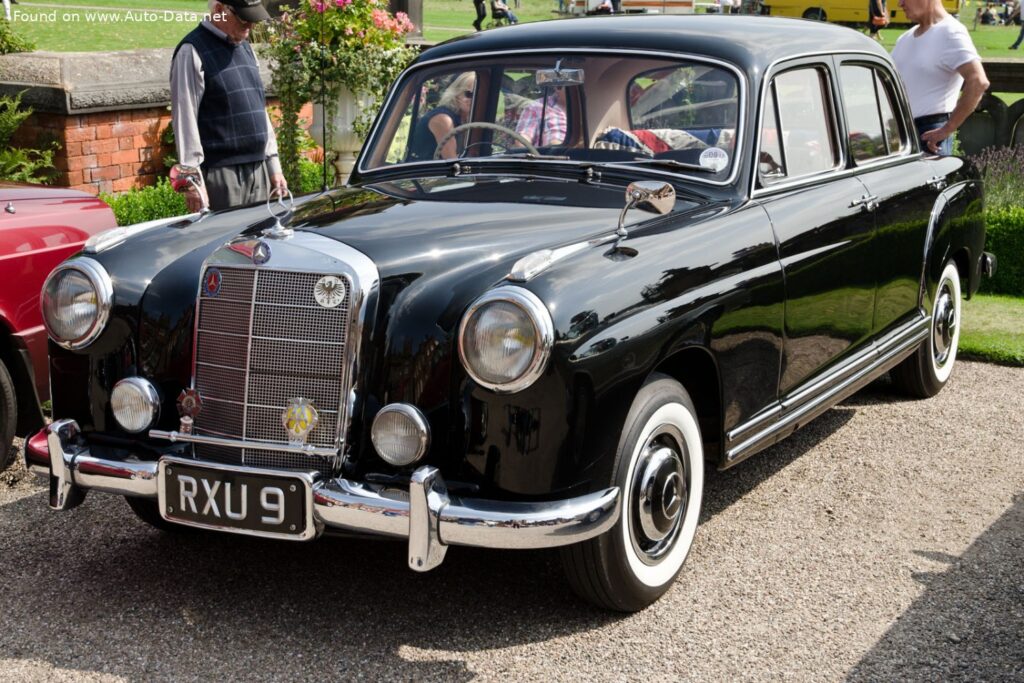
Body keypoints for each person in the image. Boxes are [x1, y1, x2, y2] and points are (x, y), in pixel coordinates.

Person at [171, 0, 288, 212]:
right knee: (228, 243)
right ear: (218, 10)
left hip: (259, 170)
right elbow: (185, 118)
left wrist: (274, 166)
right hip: (222, 175)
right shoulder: (192, 50)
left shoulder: (245, 47)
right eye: (243, 18)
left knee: (261, 242)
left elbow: (259, 110)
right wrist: (192, 180)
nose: (250, 26)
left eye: (253, 19)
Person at [892, 0, 990, 155]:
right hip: (899, 134)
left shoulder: (951, 32)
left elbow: (978, 81)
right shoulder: (905, 38)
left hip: (929, 136)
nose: (900, 4)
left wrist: (948, 129)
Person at [408, 73, 476, 161]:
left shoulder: (466, 118)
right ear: (457, 93)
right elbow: (453, 163)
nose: (473, 98)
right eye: (469, 94)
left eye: (478, 94)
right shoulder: (443, 119)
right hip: (421, 172)